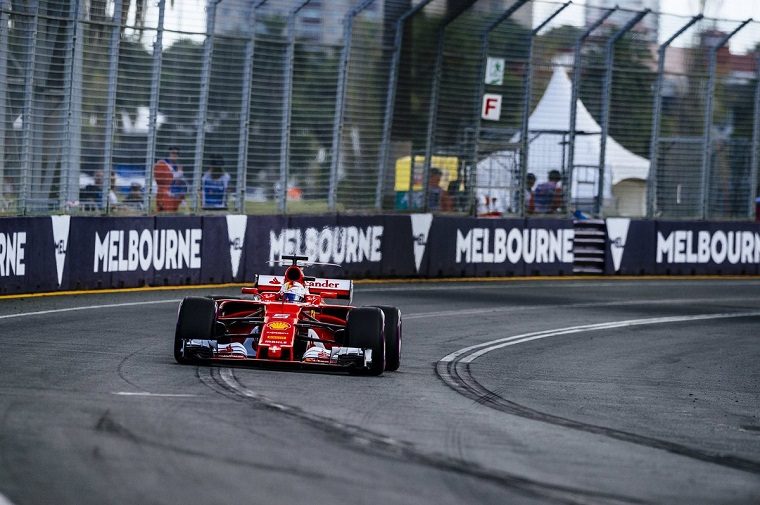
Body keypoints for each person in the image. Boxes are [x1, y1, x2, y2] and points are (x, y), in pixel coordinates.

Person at [154, 146, 187, 212]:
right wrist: (178, 174)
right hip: (164, 195)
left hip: (174, 197)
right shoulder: (162, 163)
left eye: (177, 153)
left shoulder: (176, 166)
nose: (175, 155)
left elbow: (179, 183)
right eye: (173, 153)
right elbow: (162, 180)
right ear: (169, 153)